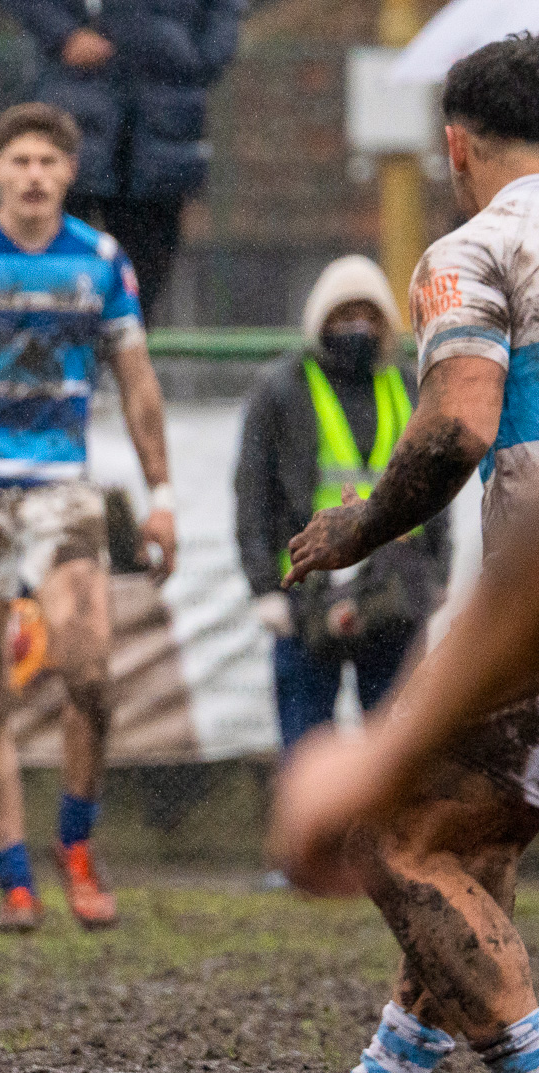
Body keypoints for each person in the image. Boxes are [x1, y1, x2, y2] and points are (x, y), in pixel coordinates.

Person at [254, 35, 539, 1073]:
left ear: (455, 149)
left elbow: (456, 425)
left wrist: (359, 524)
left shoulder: (477, 247)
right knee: (464, 849)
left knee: (389, 831)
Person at [0, 102, 176, 935]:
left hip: (60, 489)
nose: (34, 176)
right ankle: (13, 880)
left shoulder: (99, 261)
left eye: (48, 162)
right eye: (19, 161)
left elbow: (138, 380)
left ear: (69, 173)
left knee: (91, 672)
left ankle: (75, 845)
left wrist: (161, 496)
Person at [234, 256, 449, 756]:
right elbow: (253, 494)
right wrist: (264, 587)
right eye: (344, 315)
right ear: (320, 320)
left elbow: (437, 483)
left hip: (396, 592)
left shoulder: (411, 386)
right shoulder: (280, 389)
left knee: (397, 754)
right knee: (307, 753)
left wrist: (437, 572)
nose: (358, 327)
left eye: (369, 315)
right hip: (305, 593)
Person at [0, 0, 245, 320]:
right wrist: (63, 35)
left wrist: (193, 55)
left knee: (139, 298)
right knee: (49, 285)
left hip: (163, 132)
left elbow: (224, 15)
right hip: (77, 116)